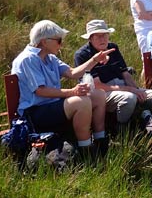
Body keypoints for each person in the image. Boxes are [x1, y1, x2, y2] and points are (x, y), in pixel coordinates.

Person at [11, 20, 114, 160]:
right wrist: (72, 92)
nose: (61, 44)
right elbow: (40, 91)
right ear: (44, 41)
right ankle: (86, 151)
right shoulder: (28, 59)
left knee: (98, 95)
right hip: (36, 112)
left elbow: (72, 73)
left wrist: (94, 60)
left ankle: (101, 142)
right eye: (59, 41)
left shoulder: (50, 58)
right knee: (81, 102)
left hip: (52, 106)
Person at [74, 19, 152, 131]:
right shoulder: (83, 55)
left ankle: (141, 117)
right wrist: (129, 90)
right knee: (129, 98)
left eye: (105, 35)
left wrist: (136, 90)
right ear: (90, 39)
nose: (102, 39)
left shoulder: (113, 48)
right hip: (102, 93)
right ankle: (121, 127)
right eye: (98, 36)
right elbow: (97, 86)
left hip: (123, 86)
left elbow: (125, 74)